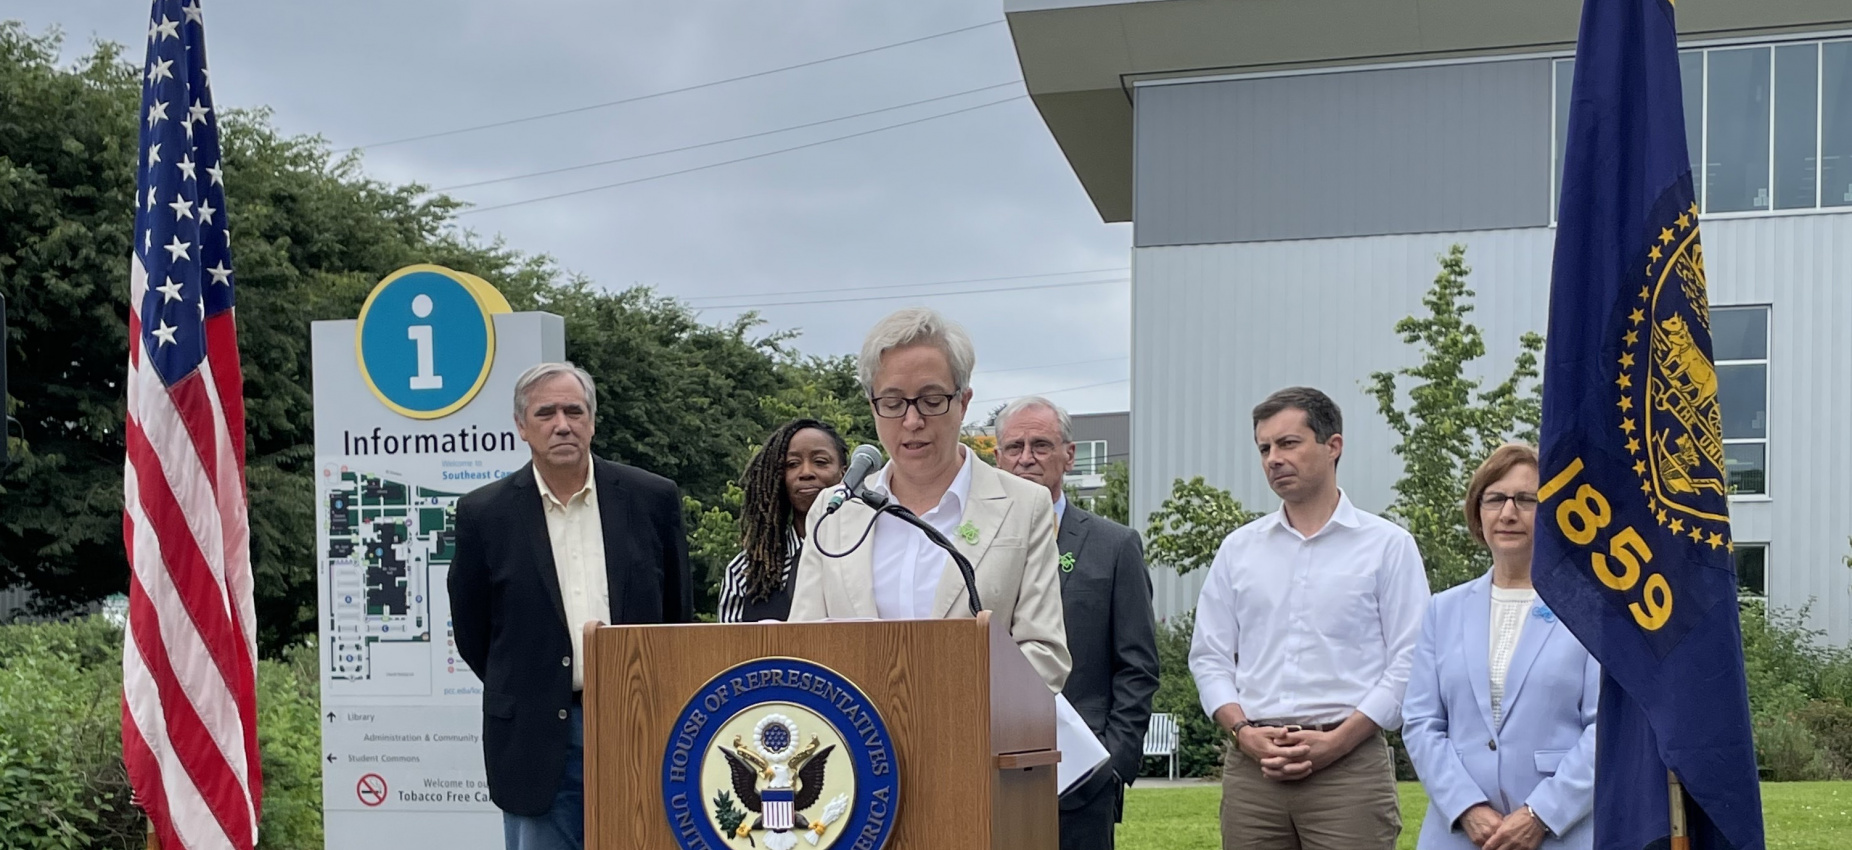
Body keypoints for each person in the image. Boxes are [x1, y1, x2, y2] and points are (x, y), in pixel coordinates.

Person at [448, 362, 695, 850]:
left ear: (592, 420)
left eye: (573, 411)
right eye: (546, 413)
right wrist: (534, 681)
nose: (562, 423)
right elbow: (475, 632)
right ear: (522, 426)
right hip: (535, 733)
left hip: (639, 720)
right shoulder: (485, 514)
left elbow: (677, 616)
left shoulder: (652, 499)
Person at [1188, 386, 1431, 850]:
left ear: (1333, 446)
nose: (1274, 459)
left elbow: (1410, 661)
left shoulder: (1387, 546)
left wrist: (1337, 742)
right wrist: (1242, 732)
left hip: (1349, 770)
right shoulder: (1239, 550)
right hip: (1253, 769)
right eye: (1264, 448)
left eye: (1288, 443)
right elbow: (1209, 657)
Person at [788, 307, 1071, 692]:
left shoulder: (1023, 506)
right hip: (857, 745)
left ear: (963, 402)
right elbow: (802, 648)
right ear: (872, 405)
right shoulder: (835, 509)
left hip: (971, 742)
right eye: (892, 402)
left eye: (931, 400)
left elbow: (1045, 654)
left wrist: (936, 702)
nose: (912, 421)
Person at [1402, 444, 1599, 850]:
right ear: (1478, 512)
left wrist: (1539, 815)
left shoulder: (1589, 609)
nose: (1508, 513)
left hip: (1560, 832)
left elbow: (1606, 729)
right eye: (1495, 499)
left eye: (1526, 500)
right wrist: (1467, 807)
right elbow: (1422, 722)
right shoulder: (1443, 610)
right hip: (1461, 834)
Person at [996, 396, 1160, 850]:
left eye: (1041, 445)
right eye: (1014, 447)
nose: (1026, 458)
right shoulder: (970, 545)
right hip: (986, 764)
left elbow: (1138, 666)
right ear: (997, 458)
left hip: (1080, 777)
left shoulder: (1115, 545)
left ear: (1069, 454)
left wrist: (1114, 760)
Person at [717, 418, 849, 622]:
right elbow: (729, 651)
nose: (806, 473)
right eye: (792, 464)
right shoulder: (744, 570)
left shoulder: (870, 554)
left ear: (844, 473)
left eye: (820, 462)